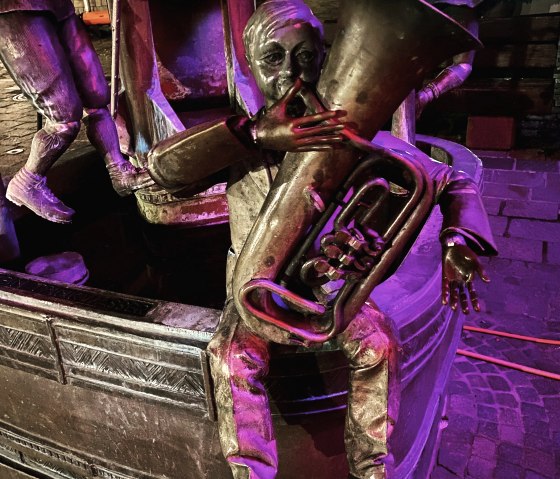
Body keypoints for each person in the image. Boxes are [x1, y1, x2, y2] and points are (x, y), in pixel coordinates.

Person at [147, 2, 497, 477]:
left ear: (324, 58)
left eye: (306, 57)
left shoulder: (348, 135)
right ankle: (251, 472)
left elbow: (452, 180)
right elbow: (160, 170)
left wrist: (460, 239)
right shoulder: (242, 135)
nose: (292, 73)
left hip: (322, 292)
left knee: (381, 344)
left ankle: (373, 467)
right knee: (229, 358)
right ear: (251, 64)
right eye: (273, 59)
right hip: (252, 294)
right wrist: (254, 134)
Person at [0, 0, 153, 224]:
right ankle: (27, 181)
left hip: (60, 6)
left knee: (97, 98)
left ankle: (119, 171)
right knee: (64, 116)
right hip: (17, 7)